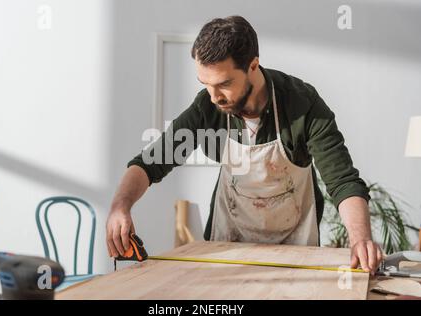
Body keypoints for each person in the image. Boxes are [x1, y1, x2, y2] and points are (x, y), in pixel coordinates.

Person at [106, 15, 382, 274]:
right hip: (226, 243)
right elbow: (152, 162)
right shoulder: (207, 107)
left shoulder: (302, 103)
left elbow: (343, 181)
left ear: (253, 65)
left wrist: (361, 239)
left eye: (224, 84)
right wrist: (121, 206)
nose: (214, 97)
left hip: (296, 247)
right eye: (205, 84)